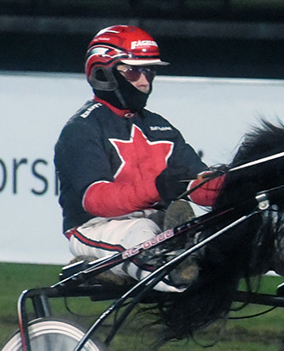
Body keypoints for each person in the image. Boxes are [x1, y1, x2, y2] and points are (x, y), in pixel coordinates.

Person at [54, 25, 223, 291]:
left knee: (219, 228)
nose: (145, 82)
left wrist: (235, 183)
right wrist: (159, 188)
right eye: (134, 71)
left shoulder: (161, 127)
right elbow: (96, 201)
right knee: (142, 231)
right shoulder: (81, 129)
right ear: (102, 73)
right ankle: (175, 272)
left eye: (149, 71)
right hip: (96, 227)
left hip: (159, 225)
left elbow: (198, 185)